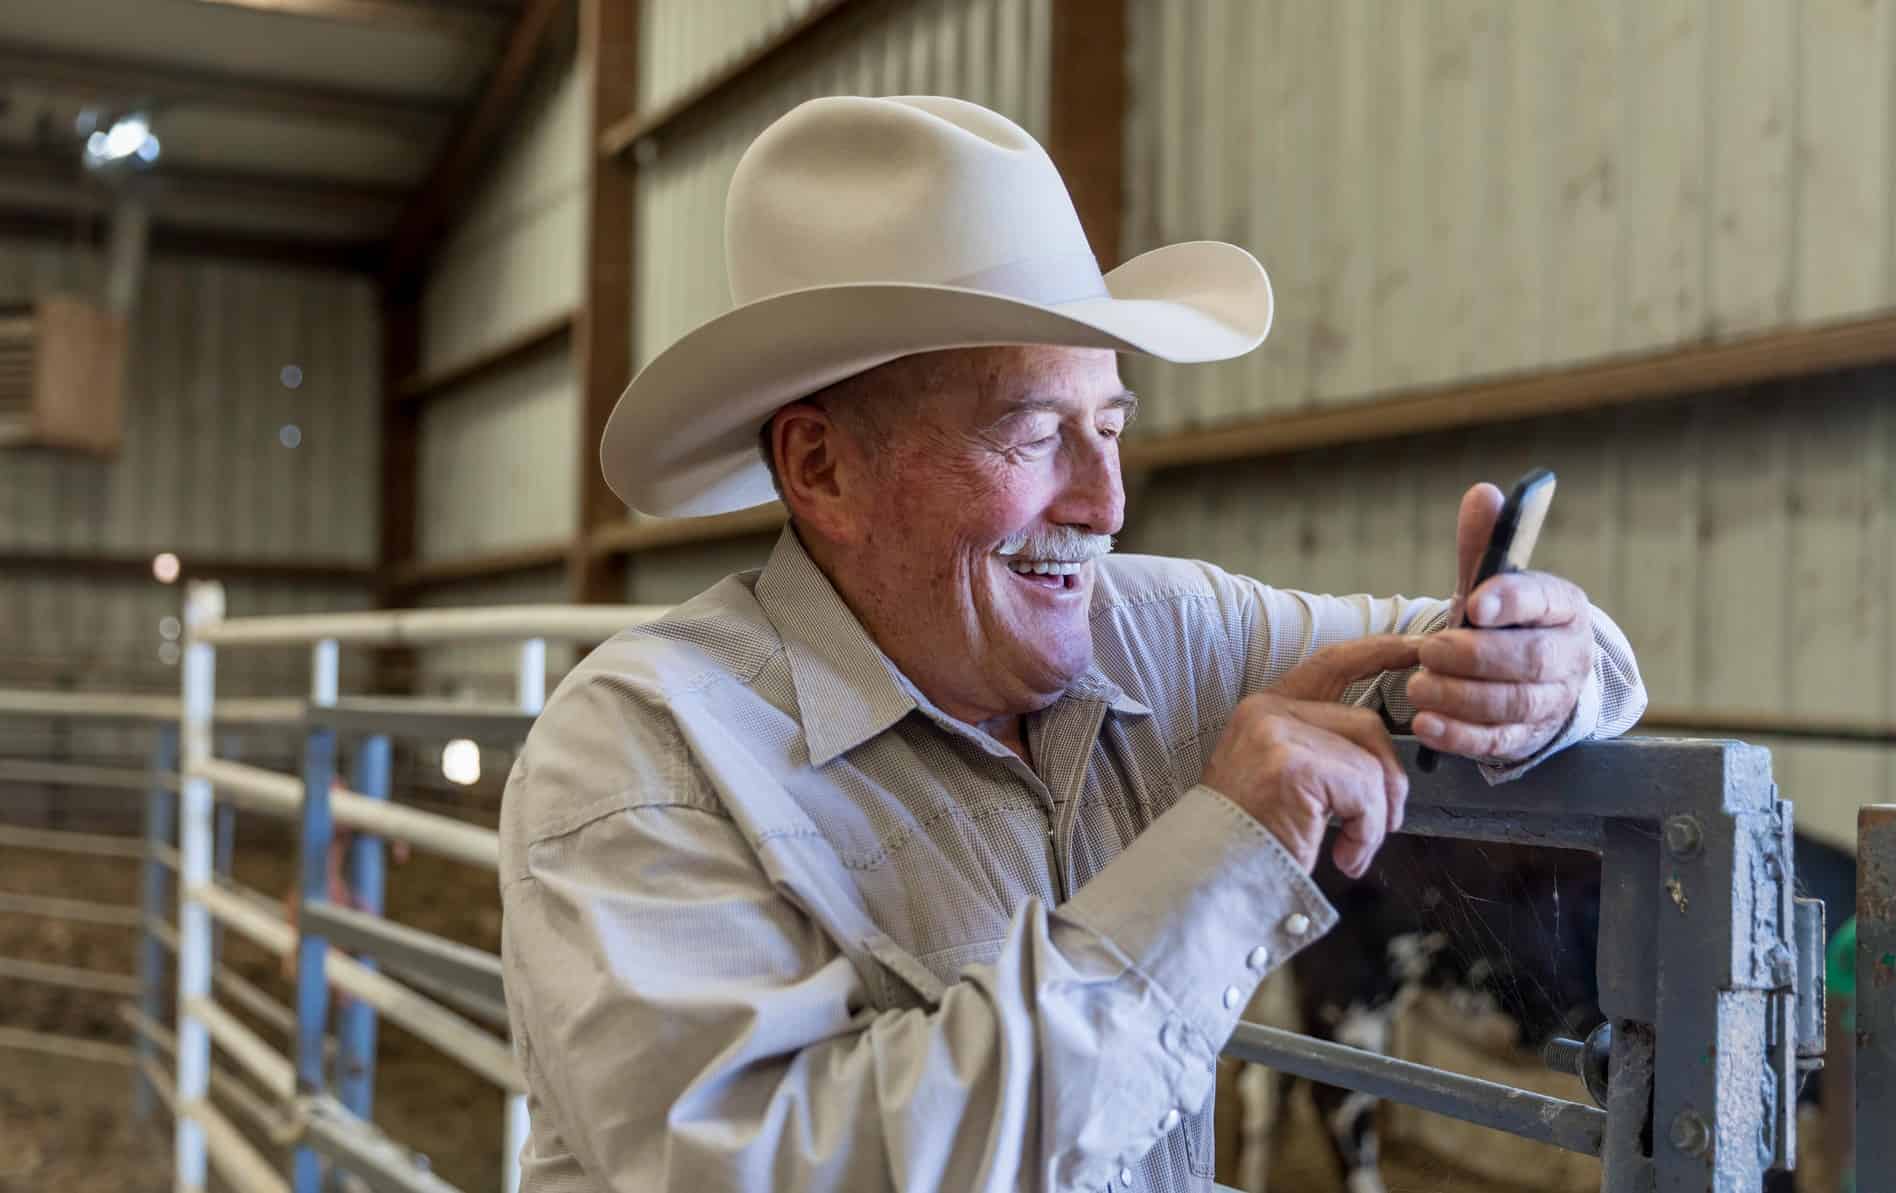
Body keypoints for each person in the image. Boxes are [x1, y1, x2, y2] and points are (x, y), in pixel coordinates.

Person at [499, 95, 1648, 1193]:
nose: (1105, 501)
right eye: (1035, 431)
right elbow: (781, 1166)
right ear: (822, 468)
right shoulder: (647, 755)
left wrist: (1537, 665)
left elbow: (1498, 649)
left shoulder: (1158, 631)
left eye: (1109, 426)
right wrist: (1223, 856)